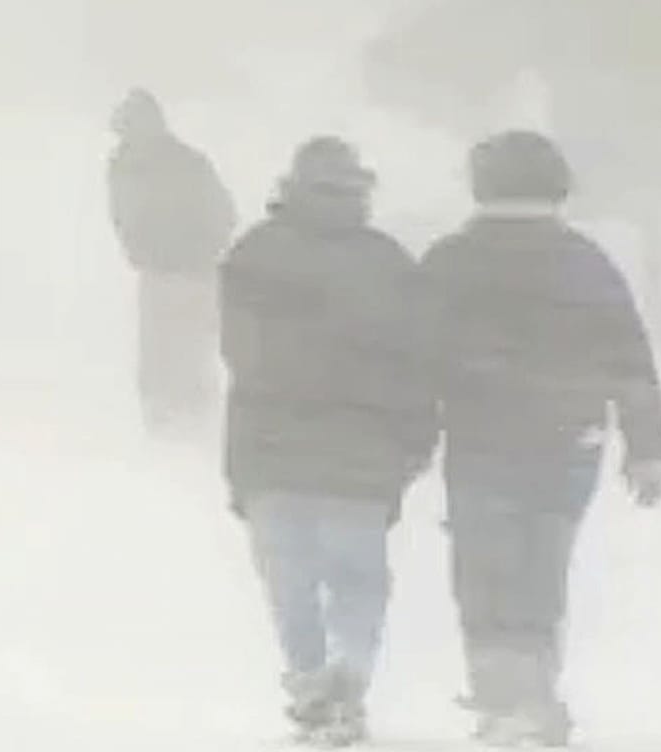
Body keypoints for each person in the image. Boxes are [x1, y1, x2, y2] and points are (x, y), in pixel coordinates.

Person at [421, 130, 661, 747]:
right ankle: (531, 692)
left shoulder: (450, 261)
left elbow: (411, 357)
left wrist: (405, 436)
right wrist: (648, 448)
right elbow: (630, 359)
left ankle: (504, 694)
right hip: (569, 441)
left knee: (485, 570)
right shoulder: (586, 262)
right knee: (542, 566)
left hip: (480, 440)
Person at [221, 137, 435, 746]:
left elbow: (242, 356)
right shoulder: (387, 261)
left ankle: (311, 683)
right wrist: (414, 439)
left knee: (289, 580)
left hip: (272, 450)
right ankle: (351, 677)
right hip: (363, 450)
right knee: (358, 579)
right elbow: (417, 360)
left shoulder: (255, 253)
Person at [107, 88, 236, 436]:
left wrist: (139, 249)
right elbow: (225, 213)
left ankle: (167, 427)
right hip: (193, 272)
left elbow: (124, 218)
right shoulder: (189, 161)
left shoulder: (126, 165)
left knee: (164, 354)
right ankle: (192, 424)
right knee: (190, 350)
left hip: (168, 273)